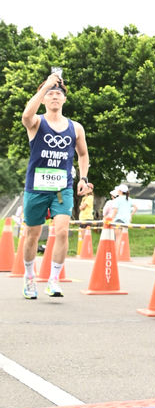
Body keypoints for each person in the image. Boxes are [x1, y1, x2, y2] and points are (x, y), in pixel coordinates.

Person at [19, 72, 90, 299]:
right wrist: (45, 86)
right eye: (50, 94)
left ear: (64, 99)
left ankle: (54, 279)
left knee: (61, 231)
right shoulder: (37, 123)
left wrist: (83, 178)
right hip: (36, 187)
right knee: (32, 234)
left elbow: (83, 154)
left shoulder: (75, 128)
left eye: (58, 93)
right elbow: (25, 115)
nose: (55, 96)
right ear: (43, 99)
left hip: (62, 188)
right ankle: (30, 277)